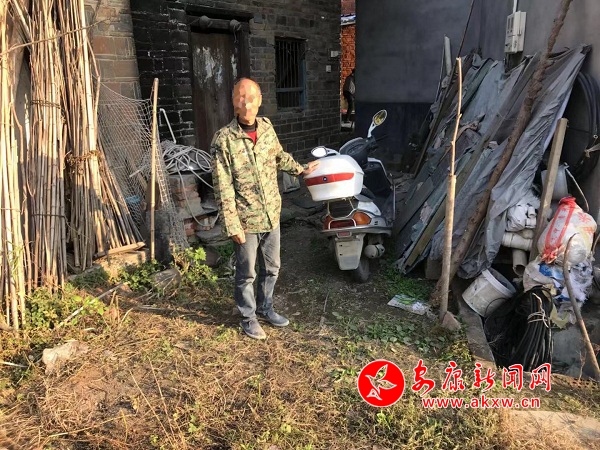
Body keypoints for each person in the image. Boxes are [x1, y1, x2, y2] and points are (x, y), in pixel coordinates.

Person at [210, 78, 319, 340]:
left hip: (271, 214)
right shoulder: (224, 139)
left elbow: (279, 156)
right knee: (247, 273)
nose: (246, 103)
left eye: (251, 97)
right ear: (233, 102)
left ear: (260, 101)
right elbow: (222, 186)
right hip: (245, 220)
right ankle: (248, 317)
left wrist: (301, 169)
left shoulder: (267, 128)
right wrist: (232, 224)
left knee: (272, 267)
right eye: (240, 97)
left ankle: (265, 307)